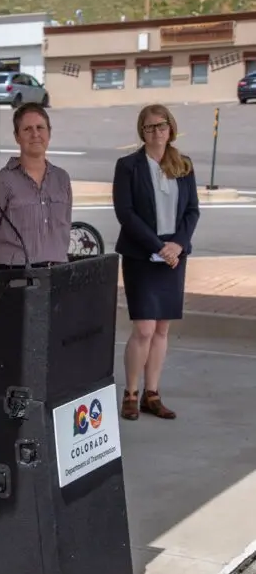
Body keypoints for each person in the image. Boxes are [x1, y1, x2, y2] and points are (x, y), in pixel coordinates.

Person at [113, 103, 200, 421]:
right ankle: (131, 393)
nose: (156, 131)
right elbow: (126, 213)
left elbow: (192, 211)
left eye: (161, 125)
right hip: (141, 256)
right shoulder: (128, 166)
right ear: (142, 131)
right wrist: (158, 246)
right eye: (149, 127)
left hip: (174, 257)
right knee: (145, 329)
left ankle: (152, 393)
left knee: (162, 328)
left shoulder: (184, 164)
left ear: (170, 128)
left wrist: (177, 245)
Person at [0, 103, 72, 274]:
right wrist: (6, 262)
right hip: (15, 276)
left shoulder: (62, 179)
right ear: (17, 136)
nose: (35, 134)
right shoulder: (2, 181)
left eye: (40, 127)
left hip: (57, 274)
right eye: (27, 129)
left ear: (49, 133)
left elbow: (65, 226)